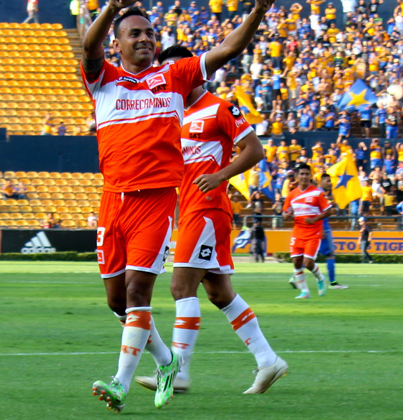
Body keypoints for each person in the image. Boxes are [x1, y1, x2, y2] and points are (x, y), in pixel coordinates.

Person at [83, 0, 273, 412]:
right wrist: (110, 8)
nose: (145, 38)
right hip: (112, 200)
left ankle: (120, 383)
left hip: (157, 201)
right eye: (135, 33)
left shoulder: (174, 76)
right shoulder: (103, 79)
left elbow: (228, 49)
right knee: (117, 302)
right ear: (117, 43)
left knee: (138, 290)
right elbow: (88, 47)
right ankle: (168, 362)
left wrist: (258, 11)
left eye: (150, 33)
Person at [135, 45, 286, 397]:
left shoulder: (220, 108)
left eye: (180, 70)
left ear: (195, 71)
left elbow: (255, 149)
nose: (174, 78)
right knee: (219, 293)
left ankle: (178, 373)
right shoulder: (173, 115)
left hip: (208, 208)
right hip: (188, 210)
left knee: (180, 288)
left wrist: (220, 176)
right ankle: (268, 360)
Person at [283, 163, 334, 299]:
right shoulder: (292, 194)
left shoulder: (317, 193)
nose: (304, 177)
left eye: (307, 174)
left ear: (310, 176)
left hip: (313, 232)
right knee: (296, 262)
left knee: (308, 262)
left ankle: (320, 278)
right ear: (297, 176)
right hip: (298, 232)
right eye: (302, 174)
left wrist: (314, 219)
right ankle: (305, 292)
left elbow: (329, 210)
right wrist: (286, 216)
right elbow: (285, 212)